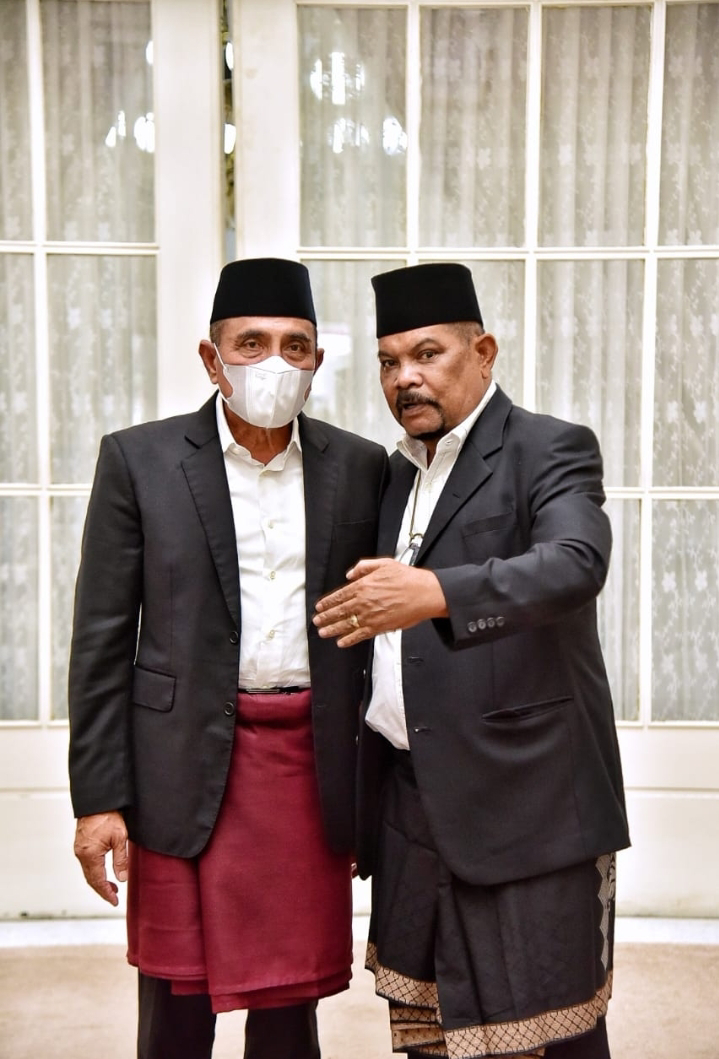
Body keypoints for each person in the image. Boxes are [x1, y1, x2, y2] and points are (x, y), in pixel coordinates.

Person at [68, 257, 388, 1059]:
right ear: (211, 359)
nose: (274, 362)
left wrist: (376, 793)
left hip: (306, 764)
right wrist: (98, 800)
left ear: (316, 360)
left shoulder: (360, 466)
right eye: (251, 343)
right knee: (176, 1004)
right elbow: (102, 638)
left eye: (294, 345)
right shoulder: (138, 460)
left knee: (289, 1005)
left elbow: (382, 634)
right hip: (178, 763)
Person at [313, 262, 631, 1059]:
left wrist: (435, 593)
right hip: (411, 801)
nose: (405, 377)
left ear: (482, 352)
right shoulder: (394, 474)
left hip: (526, 799)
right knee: (431, 1033)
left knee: (555, 1033)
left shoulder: (547, 447)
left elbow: (574, 563)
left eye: (427, 353)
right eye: (388, 361)